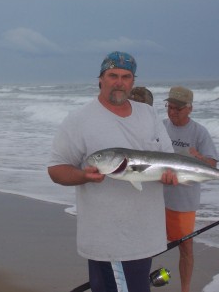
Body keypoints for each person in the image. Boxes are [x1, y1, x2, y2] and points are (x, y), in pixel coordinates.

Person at [47, 51, 177, 292]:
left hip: (147, 236)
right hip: (110, 241)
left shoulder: (148, 114)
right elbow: (56, 169)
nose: (119, 82)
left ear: (133, 81)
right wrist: (83, 175)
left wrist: (171, 176)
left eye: (126, 76)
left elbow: (167, 160)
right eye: (113, 75)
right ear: (100, 79)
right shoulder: (80, 120)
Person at [163, 86, 219, 292]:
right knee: (147, 244)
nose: (172, 112)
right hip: (156, 198)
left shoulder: (199, 132)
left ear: (190, 108)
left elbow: (213, 165)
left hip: (184, 200)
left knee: (185, 247)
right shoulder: (160, 127)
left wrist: (201, 159)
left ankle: (185, 289)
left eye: (177, 108)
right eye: (169, 107)